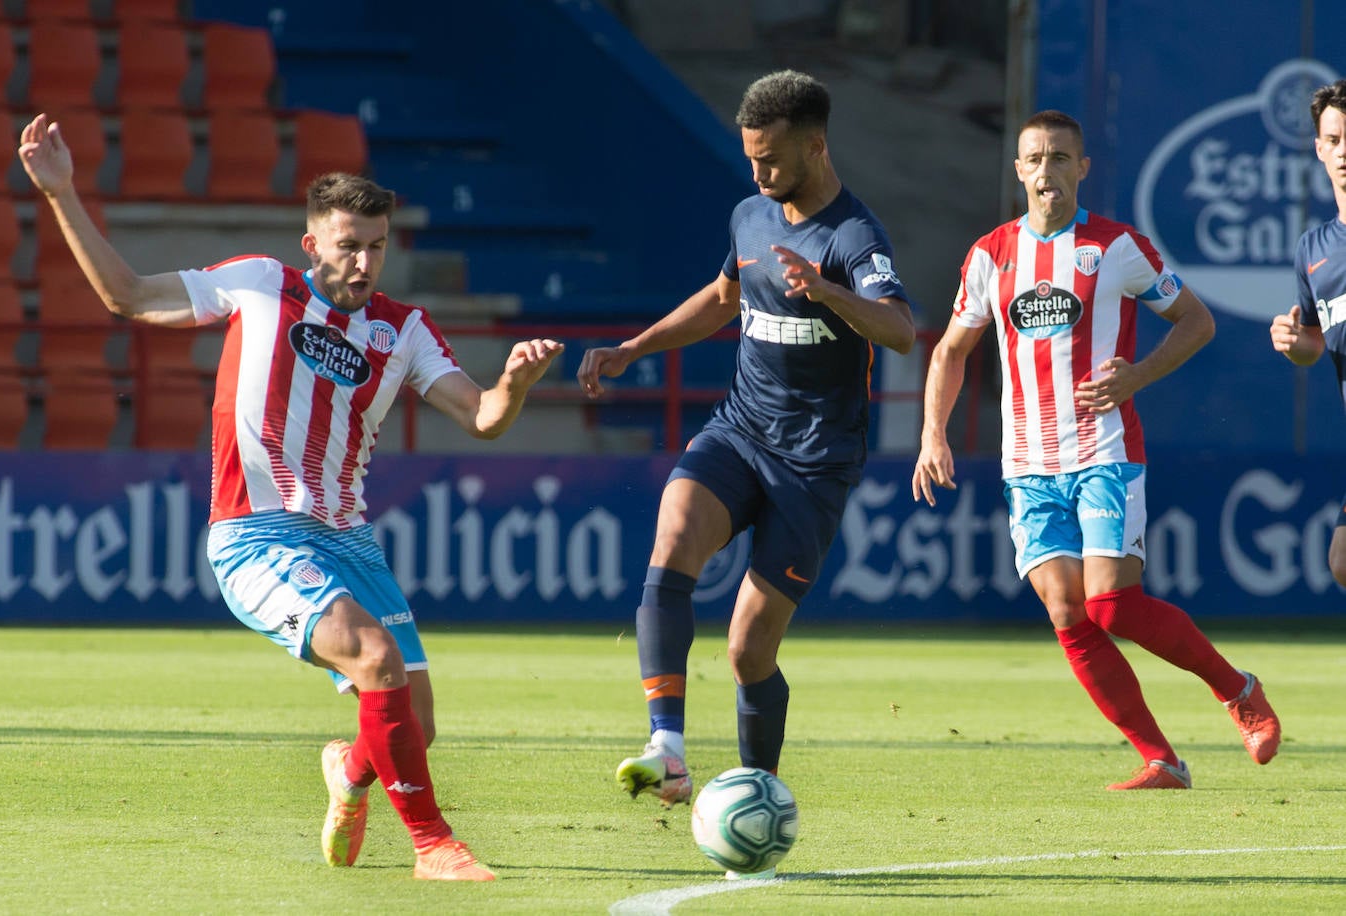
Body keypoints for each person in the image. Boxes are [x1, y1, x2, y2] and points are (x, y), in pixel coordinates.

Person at [18, 113, 563, 879]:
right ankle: (434, 845)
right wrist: (63, 193)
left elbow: (481, 418)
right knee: (376, 659)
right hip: (256, 534)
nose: (365, 261)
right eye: (349, 244)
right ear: (314, 244)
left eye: (377, 245)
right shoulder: (258, 284)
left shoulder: (403, 330)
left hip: (349, 540)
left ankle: (349, 771)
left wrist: (512, 383)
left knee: (415, 722)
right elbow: (129, 298)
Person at [576, 70, 915, 829]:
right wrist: (635, 348)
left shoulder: (853, 236)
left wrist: (829, 293)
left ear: (815, 146)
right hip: (741, 429)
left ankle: (760, 797)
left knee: (747, 650)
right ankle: (666, 744)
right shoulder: (749, 217)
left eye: (770, 160)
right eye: (750, 158)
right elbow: (723, 299)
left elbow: (899, 328)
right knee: (672, 540)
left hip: (816, 462)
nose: (758, 174)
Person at [912, 110, 1280, 790]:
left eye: (1059, 157)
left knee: (1109, 603)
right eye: (1034, 158)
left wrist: (1137, 375)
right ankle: (1160, 759)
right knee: (1066, 612)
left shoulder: (1116, 248)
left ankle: (1238, 689)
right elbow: (950, 350)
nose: (1046, 169)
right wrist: (933, 433)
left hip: (1104, 452)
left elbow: (1196, 321)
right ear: (1018, 169)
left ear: (1082, 167)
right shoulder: (991, 255)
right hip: (1027, 466)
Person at [1271, 79, 1346, 587]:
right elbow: (1315, 341)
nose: (1344, 152)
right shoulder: (1313, 249)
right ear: (1319, 148)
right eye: (1334, 139)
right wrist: (1298, 345)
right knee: (1343, 563)